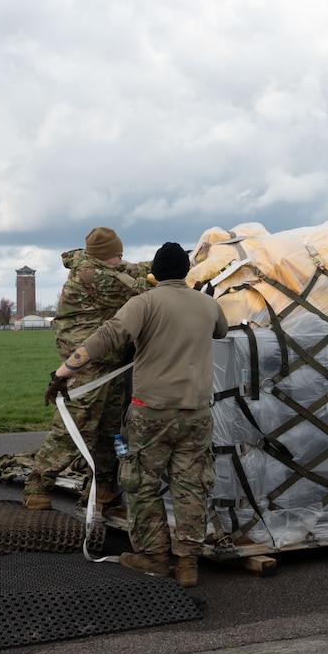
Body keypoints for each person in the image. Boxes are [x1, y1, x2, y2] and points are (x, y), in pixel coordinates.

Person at [55, 242, 226, 587]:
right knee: (191, 487)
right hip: (196, 414)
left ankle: (154, 556)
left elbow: (107, 337)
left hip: (151, 415)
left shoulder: (144, 303)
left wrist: (63, 372)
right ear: (185, 272)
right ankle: (188, 564)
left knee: (143, 485)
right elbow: (221, 331)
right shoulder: (209, 305)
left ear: (155, 274)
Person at [24, 227, 152, 517]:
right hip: (88, 364)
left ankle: (105, 486)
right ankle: (36, 487)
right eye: (117, 255)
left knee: (110, 431)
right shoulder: (94, 276)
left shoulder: (98, 265)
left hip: (108, 362)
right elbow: (142, 288)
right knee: (74, 427)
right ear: (107, 257)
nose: (121, 259)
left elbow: (133, 267)